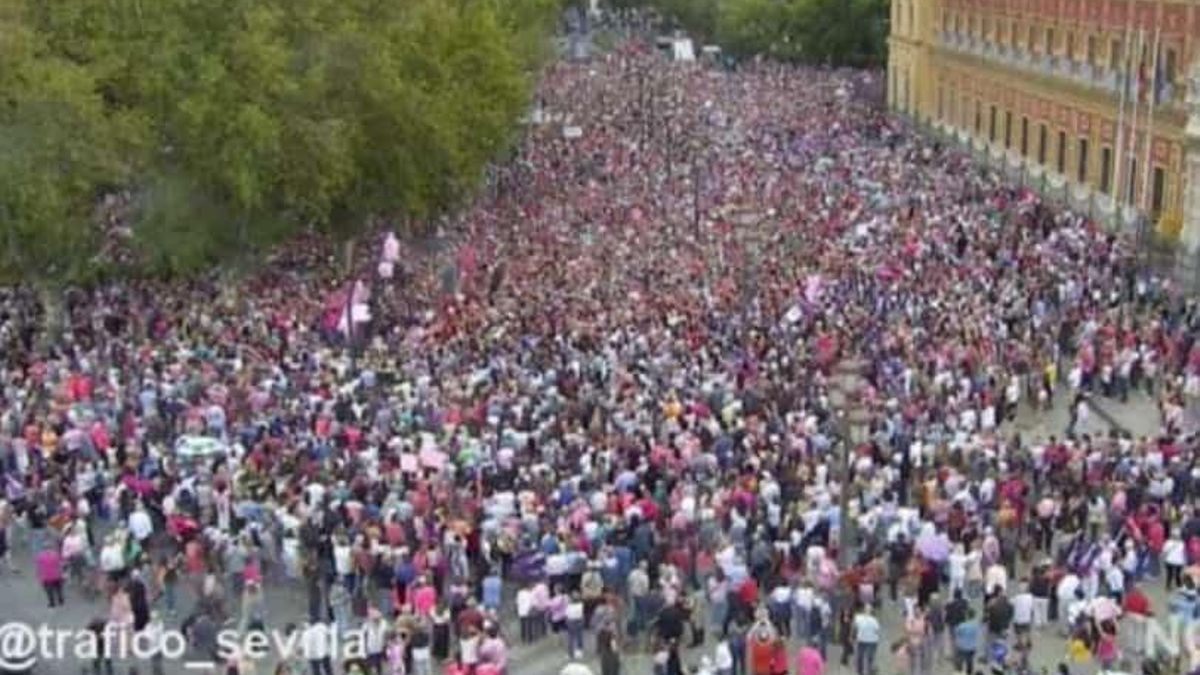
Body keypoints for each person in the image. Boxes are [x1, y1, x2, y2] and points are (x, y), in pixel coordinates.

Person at [852, 605, 881, 675]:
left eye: (869, 610)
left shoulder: (874, 620)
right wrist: (853, 636)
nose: (868, 611)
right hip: (861, 640)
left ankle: (869, 671)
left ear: (871, 611)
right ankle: (860, 671)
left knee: (869, 657)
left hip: (872, 641)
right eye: (866, 609)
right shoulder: (858, 618)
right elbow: (854, 627)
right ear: (863, 610)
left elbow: (877, 631)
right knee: (860, 657)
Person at [953, 610, 981, 675]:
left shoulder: (962, 625)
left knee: (959, 661)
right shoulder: (976, 625)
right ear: (974, 616)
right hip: (972, 647)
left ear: (967, 616)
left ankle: (959, 672)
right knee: (970, 662)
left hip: (962, 646)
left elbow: (957, 633)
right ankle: (969, 672)